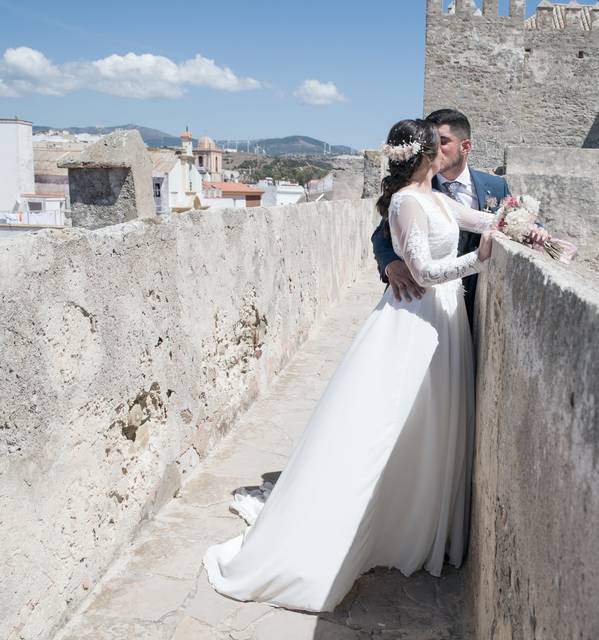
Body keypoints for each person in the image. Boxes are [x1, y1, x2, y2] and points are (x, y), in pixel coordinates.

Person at [202, 119, 510, 613]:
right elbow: (426, 273)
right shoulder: (408, 202)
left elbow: (480, 223)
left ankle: (410, 516)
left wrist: (515, 222)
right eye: (440, 146)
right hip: (416, 318)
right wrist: (481, 260)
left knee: (428, 426)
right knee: (390, 425)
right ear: (430, 154)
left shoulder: (437, 198)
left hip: (445, 324)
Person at [372, 108, 548, 323]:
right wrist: (391, 264)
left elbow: (489, 221)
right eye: (435, 142)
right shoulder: (408, 197)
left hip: (464, 301)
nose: (439, 148)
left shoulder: (449, 193)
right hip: (416, 302)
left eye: (442, 141)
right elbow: (383, 235)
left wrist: (532, 229)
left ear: (465, 146)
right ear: (425, 154)